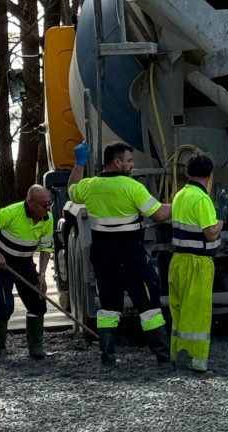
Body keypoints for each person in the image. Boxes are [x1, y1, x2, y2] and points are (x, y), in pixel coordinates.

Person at [68, 140, 172, 368]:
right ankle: (163, 358)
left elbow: (72, 190)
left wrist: (80, 162)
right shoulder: (132, 187)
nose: (132, 164)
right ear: (117, 162)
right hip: (131, 257)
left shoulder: (90, 185)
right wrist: (179, 201)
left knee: (108, 307)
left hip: (103, 257)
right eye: (129, 160)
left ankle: (107, 358)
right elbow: (160, 215)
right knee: (149, 306)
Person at [0, 184, 54, 361]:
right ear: (30, 202)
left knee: (37, 305)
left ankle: (35, 347)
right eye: (43, 205)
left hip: (25, 263)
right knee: (4, 306)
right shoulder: (11, 213)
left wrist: (41, 275)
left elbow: (46, 248)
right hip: (3, 263)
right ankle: (0, 349)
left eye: (50, 204)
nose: (47, 208)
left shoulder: (47, 218)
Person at [169, 153, 228, 373]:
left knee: (180, 312)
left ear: (188, 172)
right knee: (196, 315)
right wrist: (222, 211)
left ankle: (178, 356)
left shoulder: (180, 195)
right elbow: (211, 233)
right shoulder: (201, 199)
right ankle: (195, 361)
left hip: (178, 262)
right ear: (209, 175)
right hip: (198, 264)